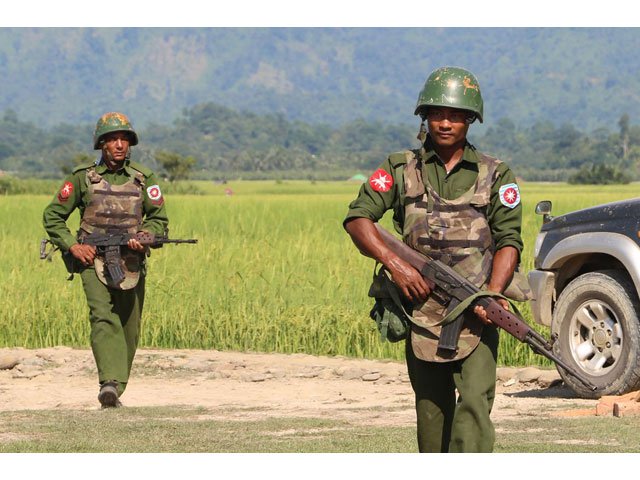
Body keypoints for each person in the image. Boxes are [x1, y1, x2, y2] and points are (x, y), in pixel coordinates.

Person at [343, 66, 530, 452]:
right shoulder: (400, 168)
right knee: (431, 415)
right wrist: (397, 265)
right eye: (436, 114)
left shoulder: (496, 174)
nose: (445, 123)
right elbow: (359, 220)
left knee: (476, 405)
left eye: (456, 115)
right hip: (422, 311)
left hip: (476, 311)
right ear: (424, 118)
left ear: (470, 120)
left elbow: (510, 239)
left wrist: (491, 295)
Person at [43, 112, 169, 408]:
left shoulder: (144, 178)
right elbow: (53, 216)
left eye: (124, 139)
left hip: (131, 261)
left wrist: (147, 235)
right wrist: (73, 246)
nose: (119, 145)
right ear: (101, 144)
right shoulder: (81, 178)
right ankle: (108, 383)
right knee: (103, 316)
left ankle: (117, 385)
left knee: (130, 324)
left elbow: (159, 219)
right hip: (91, 260)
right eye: (112, 139)